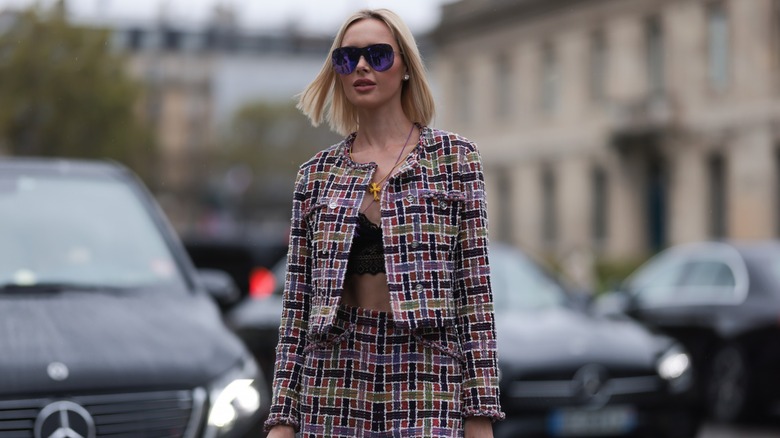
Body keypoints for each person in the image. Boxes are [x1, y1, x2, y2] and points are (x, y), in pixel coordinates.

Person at [265, 8, 504, 438]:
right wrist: (283, 417)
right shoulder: (315, 175)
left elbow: (475, 299)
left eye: (377, 55)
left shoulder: (455, 160)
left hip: (427, 377)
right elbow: (296, 309)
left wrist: (480, 414)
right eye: (347, 58)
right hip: (334, 383)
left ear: (406, 67)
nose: (360, 66)